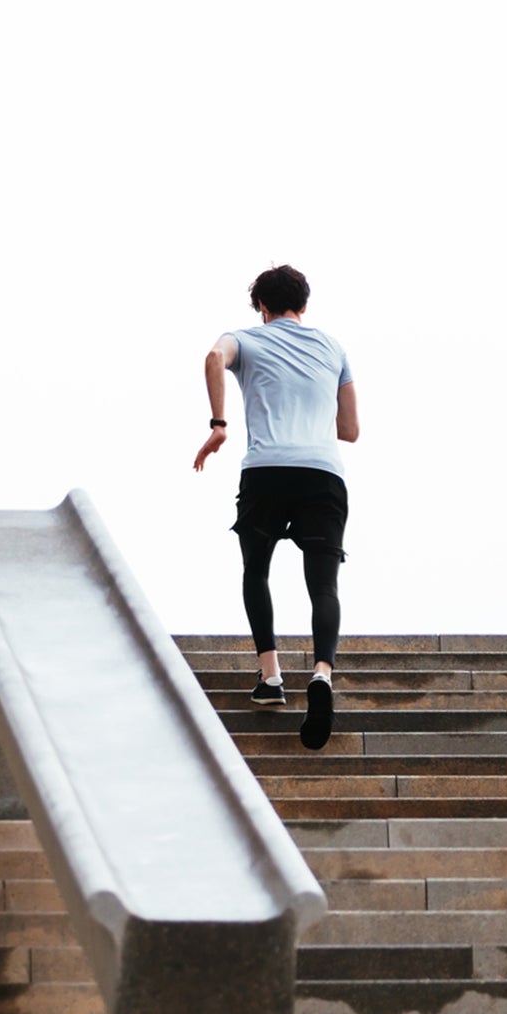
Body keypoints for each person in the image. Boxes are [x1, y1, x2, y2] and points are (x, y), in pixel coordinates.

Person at [193, 265, 359, 750]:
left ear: (261, 307)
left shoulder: (244, 339)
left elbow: (211, 357)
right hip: (324, 472)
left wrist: (219, 424)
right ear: (303, 306)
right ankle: (322, 675)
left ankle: (271, 677)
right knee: (323, 583)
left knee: (256, 570)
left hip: (266, 469)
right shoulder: (333, 349)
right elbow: (350, 430)